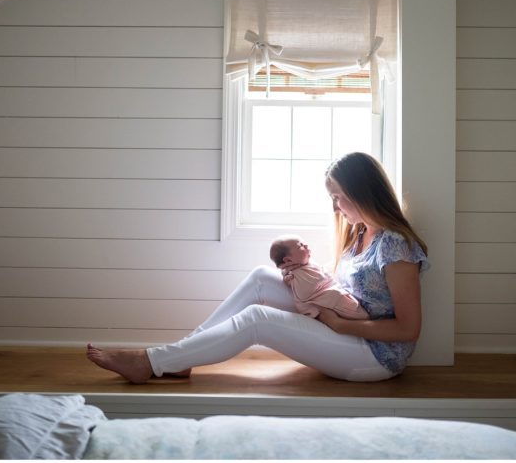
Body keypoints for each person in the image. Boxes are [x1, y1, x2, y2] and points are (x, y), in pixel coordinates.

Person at [86, 152, 430, 383]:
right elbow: (344, 286)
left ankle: (151, 363)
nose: (336, 208)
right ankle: (181, 356)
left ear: (362, 193)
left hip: (375, 356)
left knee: (257, 319)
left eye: (338, 197)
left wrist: (340, 326)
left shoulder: (395, 246)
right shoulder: (359, 234)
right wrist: (300, 278)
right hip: (340, 323)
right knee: (261, 278)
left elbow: (407, 329)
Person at [269, 236, 369, 320]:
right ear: (288, 260)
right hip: (328, 302)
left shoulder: (305, 264)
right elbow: (310, 289)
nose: (306, 245)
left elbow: (323, 273)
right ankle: (362, 318)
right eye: (300, 246)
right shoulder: (296, 275)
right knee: (350, 307)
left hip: (334, 294)